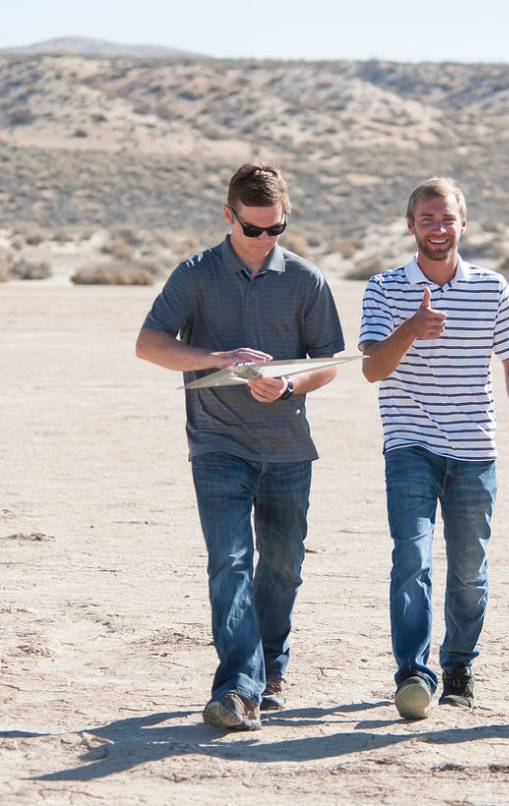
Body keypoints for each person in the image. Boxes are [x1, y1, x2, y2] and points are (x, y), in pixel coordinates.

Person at [136, 164, 345, 731]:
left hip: (288, 449)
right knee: (229, 563)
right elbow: (149, 344)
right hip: (217, 444)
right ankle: (236, 687)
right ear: (229, 216)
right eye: (253, 229)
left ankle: (270, 669)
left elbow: (328, 364)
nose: (264, 240)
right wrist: (215, 359)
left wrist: (289, 384)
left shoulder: (307, 279)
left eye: (275, 229)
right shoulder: (196, 274)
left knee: (282, 567)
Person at [358, 177, 509, 720]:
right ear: (410, 225)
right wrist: (412, 327)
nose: (438, 229)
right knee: (410, 558)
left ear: (464, 224)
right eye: (428, 219)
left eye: (447, 219)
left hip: (475, 448)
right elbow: (372, 369)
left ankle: (458, 664)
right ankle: (413, 674)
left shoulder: (492, 287)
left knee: (469, 569)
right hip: (410, 443)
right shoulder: (384, 288)